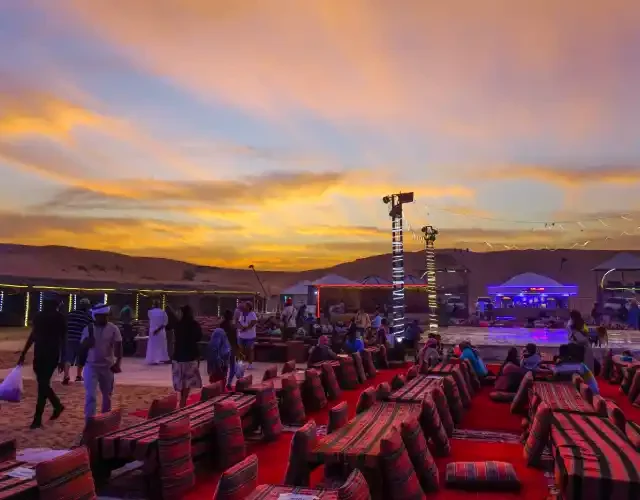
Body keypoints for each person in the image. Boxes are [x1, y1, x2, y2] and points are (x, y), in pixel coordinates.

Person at [18, 297, 66, 429]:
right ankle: (56, 405)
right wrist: (63, 358)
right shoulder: (57, 317)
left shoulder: (43, 317)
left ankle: (38, 418)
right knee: (43, 384)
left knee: (42, 385)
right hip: (48, 354)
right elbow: (63, 340)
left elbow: (33, 336)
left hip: (44, 354)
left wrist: (24, 353)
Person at [81, 304, 122, 421]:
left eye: (105, 316)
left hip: (107, 366)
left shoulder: (113, 328)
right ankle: (90, 420)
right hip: (91, 366)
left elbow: (118, 346)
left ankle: (105, 419)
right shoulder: (88, 329)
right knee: (90, 395)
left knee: (107, 395)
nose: (104, 318)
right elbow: (81, 348)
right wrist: (87, 343)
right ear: (95, 316)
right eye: (101, 316)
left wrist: (118, 362)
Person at [172, 305, 202, 407]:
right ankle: (183, 400)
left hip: (178, 355)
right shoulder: (194, 324)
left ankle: (182, 399)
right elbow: (198, 338)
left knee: (181, 380)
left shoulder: (178, 324)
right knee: (188, 380)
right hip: (190, 355)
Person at [63, 298, 93, 385]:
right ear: (87, 306)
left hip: (69, 338)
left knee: (68, 358)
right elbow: (91, 328)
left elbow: (65, 325)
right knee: (81, 358)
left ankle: (66, 375)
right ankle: (79, 376)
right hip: (81, 340)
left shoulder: (70, 314)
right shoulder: (88, 316)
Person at [220, 310, 239, 390]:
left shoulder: (221, 325)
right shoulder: (233, 326)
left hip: (224, 348)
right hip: (232, 348)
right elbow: (235, 339)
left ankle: (222, 383)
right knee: (232, 366)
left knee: (224, 367)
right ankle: (229, 382)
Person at [146, 301, 170, 365]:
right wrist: (158, 329)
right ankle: (163, 358)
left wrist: (155, 330)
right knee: (162, 345)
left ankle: (154, 359)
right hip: (161, 331)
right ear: (159, 305)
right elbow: (165, 323)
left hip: (153, 331)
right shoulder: (163, 312)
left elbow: (150, 319)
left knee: (153, 346)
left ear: (153, 305)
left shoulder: (150, 312)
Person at [237, 302, 257, 369]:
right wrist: (240, 327)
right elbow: (239, 322)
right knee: (241, 349)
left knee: (249, 349)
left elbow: (253, 323)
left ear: (249, 307)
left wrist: (245, 329)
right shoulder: (242, 313)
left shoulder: (252, 314)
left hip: (250, 336)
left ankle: (250, 364)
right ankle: (240, 363)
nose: (244, 307)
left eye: (246, 306)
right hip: (241, 335)